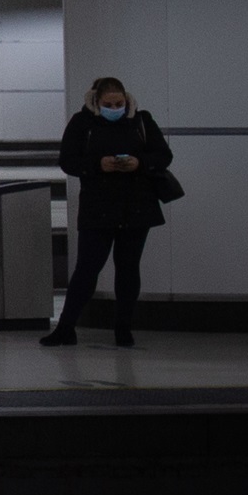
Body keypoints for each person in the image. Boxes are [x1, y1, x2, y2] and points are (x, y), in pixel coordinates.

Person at [45, 75, 174, 349]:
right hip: (97, 207)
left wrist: (139, 163)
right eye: (109, 104)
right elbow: (67, 160)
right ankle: (66, 327)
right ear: (96, 101)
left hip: (136, 205)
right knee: (87, 268)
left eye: (119, 103)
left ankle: (123, 328)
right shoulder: (82, 123)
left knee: (128, 269)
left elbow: (163, 155)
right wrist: (97, 165)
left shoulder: (141, 120)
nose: (115, 108)